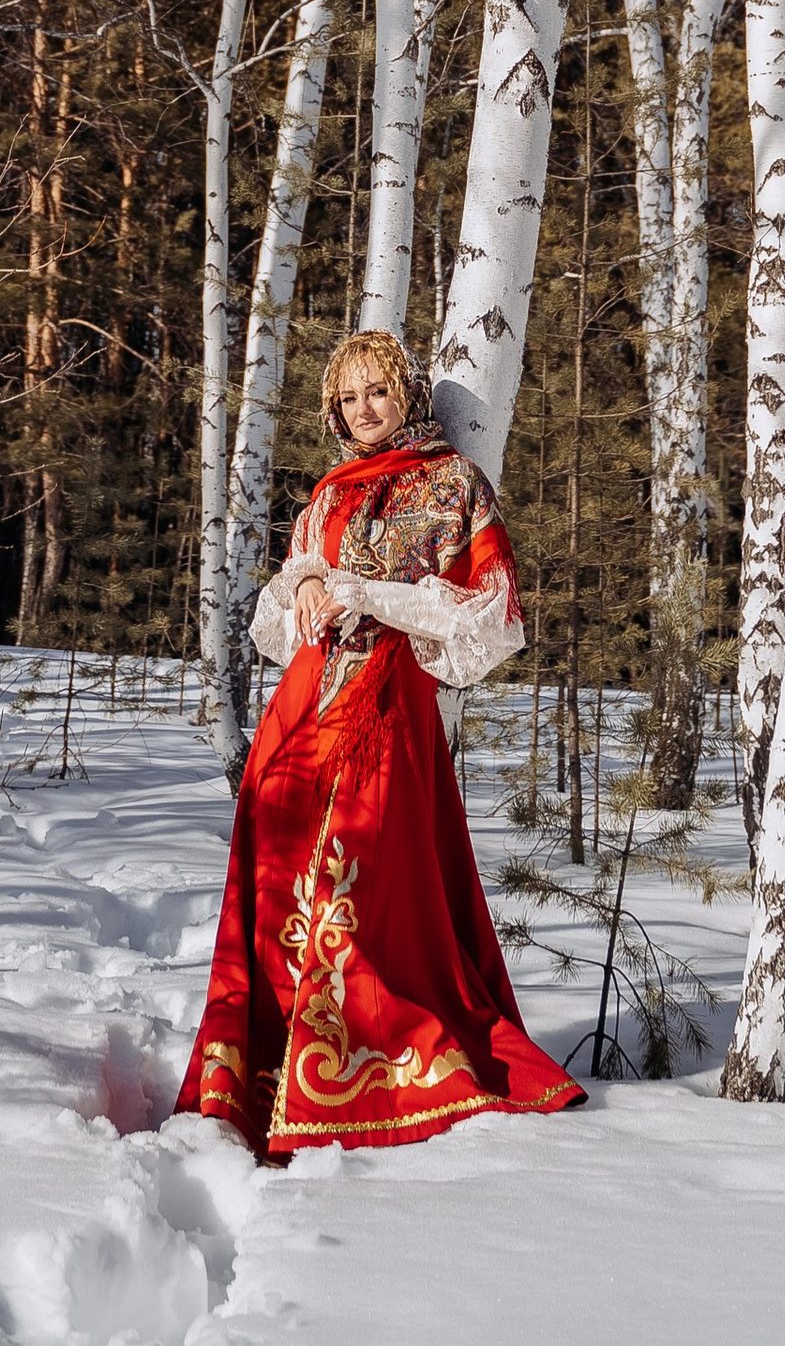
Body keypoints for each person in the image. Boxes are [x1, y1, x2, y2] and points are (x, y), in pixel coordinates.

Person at [174, 326, 585, 1158]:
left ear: (409, 394)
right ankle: (265, 1079)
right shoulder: (328, 494)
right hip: (302, 712)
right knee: (275, 885)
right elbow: (276, 614)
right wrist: (306, 585)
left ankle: (354, 1085)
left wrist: (368, 593)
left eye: (379, 391)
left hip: (387, 710)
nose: (365, 409)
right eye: (349, 397)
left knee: (363, 895)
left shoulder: (454, 484)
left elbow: (491, 614)